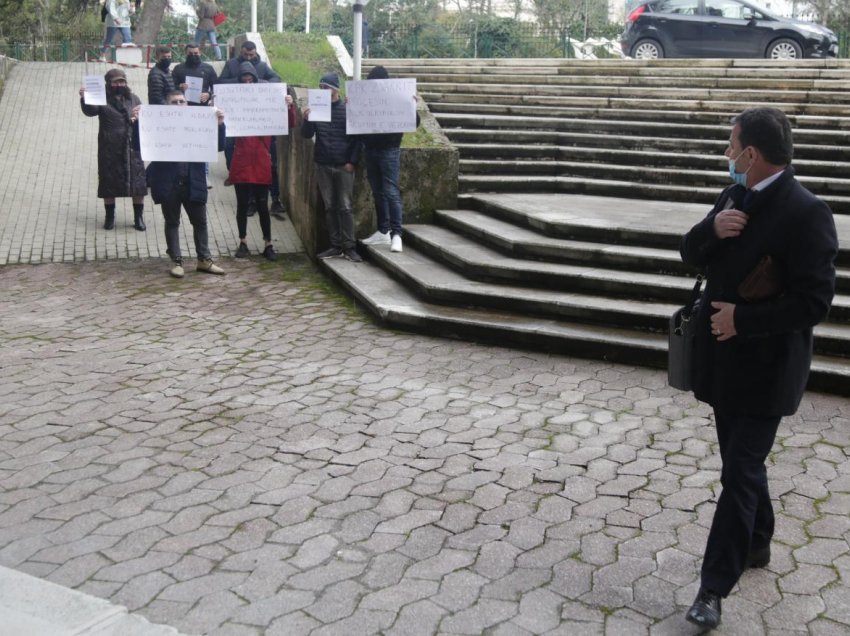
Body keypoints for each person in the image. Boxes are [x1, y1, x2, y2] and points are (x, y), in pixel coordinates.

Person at [679, 107, 838, 630]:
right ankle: (759, 543)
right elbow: (690, 253)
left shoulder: (807, 212)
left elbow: (813, 303)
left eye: (732, 146)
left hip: (768, 370)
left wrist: (743, 321)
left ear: (751, 154)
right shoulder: (733, 197)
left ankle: (712, 589)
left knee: (740, 471)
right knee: (741, 465)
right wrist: (711, 229)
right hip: (723, 367)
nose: (727, 154)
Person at [144, 90, 226, 278]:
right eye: (174, 102)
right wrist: (138, 123)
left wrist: (220, 125)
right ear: (167, 106)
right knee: (172, 222)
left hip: (193, 181)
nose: (179, 105)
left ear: (187, 105)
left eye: (182, 101)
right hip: (169, 182)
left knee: (200, 222)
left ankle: (204, 260)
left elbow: (219, 146)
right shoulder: (158, 125)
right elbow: (140, 145)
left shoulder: (198, 123)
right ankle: (176, 261)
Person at [229, 63, 296, 262]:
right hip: (242, 160)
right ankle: (243, 242)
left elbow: (289, 123)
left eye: (251, 81)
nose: (248, 84)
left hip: (260, 161)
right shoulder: (234, 102)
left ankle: (268, 243)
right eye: (244, 81)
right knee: (242, 206)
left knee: (262, 205)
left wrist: (289, 105)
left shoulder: (267, 102)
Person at [359, 65, 419, 254]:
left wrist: (412, 105)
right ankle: (383, 230)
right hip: (371, 150)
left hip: (389, 150)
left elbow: (414, 122)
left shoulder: (396, 99)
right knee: (377, 191)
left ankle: (396, 234)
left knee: (391, 191)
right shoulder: (367, 100)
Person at [301, 72, 362, 262]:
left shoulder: (347, 109)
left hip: (344, 165)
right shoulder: (317, 110)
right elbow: (306, 135)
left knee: (345, 207)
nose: (323, 91)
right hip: (323, 164)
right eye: (321, 88)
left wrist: (352, 162)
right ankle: (335, 246)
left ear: (336, 90)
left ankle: (349, 246)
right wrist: (306, 119)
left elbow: (357, 139)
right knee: (330, 206)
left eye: (326, 88)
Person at [79, 68, 147, 231]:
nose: (119, 84)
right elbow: (90, 111)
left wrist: (139, 116)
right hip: (109, 146)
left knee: (137, 183)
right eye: (116, 81)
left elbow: (145, 117)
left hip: (133, 146)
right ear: (109, 83)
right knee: (108, 182)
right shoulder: (101, 99)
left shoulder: (134, 98)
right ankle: (110, 217)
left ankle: (138, 217)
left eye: (122, 81)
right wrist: (84, 98)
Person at [219, 41, 282, 188]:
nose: (248, 57)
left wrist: (259, 84)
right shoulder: (231, 64)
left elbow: (276, 79)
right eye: (245, 54)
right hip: (235, 114)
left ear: (256, 52)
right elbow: (221, 81)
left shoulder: (262, 65)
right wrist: (240, 82)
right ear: (241, 52)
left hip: (255, 116)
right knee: (229, 147)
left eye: (251, 54)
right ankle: (232, 173)